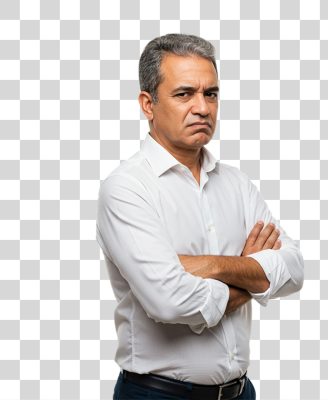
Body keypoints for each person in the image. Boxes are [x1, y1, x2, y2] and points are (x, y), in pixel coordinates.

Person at [96, 33, 304, 400]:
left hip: (241, 393)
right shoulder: (126, 189)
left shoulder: (237, 184)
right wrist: (251, 275)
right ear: (148, 104)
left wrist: (209, 265)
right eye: (184, 94)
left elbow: (293, 270)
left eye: (211, 94)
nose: (203, 108)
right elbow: (170, 301)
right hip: (158, 395)